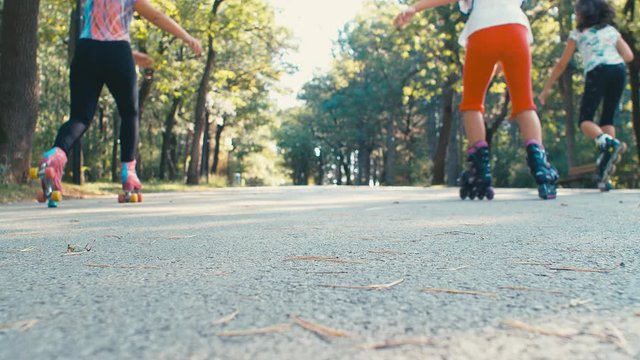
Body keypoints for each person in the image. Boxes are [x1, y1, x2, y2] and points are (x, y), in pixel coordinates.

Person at [36, 0, 202, 204]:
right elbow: (157, 17)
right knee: (129, 113)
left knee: (80, 117)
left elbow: (99, 41)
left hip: (86, 50)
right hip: (118, 52)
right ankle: (128, 174)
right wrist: (188, 38)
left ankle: (55, 156)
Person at [395, 0, 559, 200]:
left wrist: (414, 7)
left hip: (481, 30)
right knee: (525, 104)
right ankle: (541, 170)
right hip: (516, 29)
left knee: (472, 104)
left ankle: (480, 172)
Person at [538, 0, 634, 191]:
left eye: (577, 13)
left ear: (584, 14)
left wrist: (546, 89)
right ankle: (604, 176)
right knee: (608, 119)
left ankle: (610, 144)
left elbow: (561, 64)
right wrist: (611, 59)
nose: (575, 16)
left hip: (597, 72)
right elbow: (629, 55)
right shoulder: (611, 31)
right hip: (618, 71)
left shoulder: (578, 34)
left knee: (585, 121)